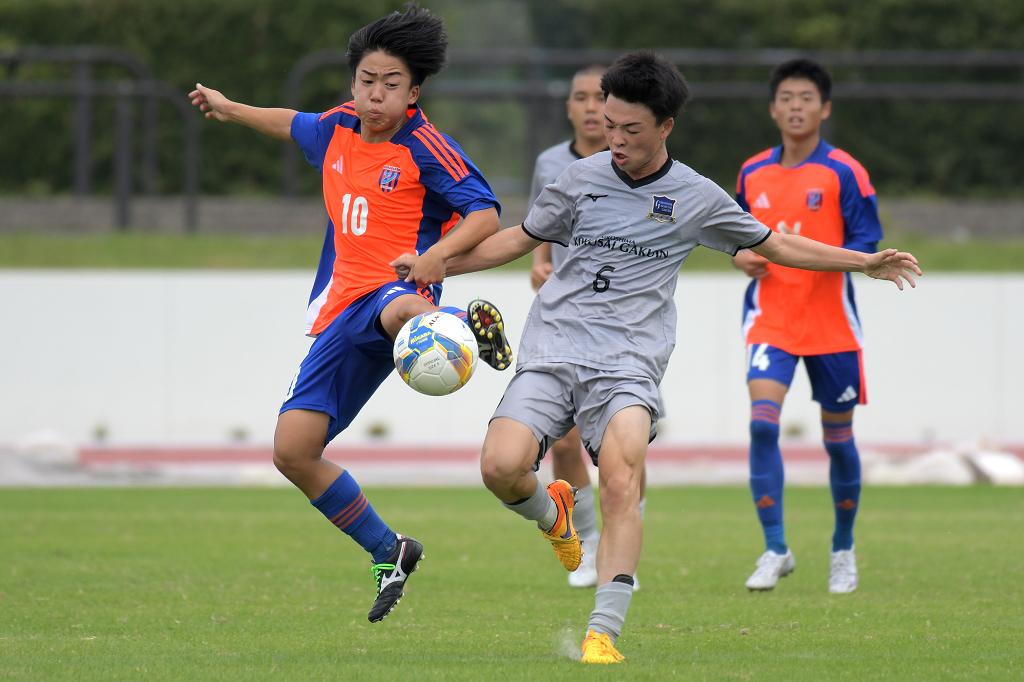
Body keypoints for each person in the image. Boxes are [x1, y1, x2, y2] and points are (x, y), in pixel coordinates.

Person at [392, 51, 919, 664]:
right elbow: (519, 239)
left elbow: (775, 243)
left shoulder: (695, 197)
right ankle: (554, 513)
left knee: (621, 478)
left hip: (628, 364)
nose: (613, 138)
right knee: (500, 468)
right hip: (554, 348)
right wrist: (439, 262)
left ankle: (603, 633)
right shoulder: (578, 178)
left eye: (630, 129)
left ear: (665, 126)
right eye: (609, 125)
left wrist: (865, 261)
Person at [188, 5, 513, 623]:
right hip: (338, 307)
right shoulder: (337, 126)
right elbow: (293, 122)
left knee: (397, 312)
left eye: (392, 84)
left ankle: (457, 328)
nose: (376, 94)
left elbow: (485, 213)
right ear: (354, 83)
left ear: (413, 92)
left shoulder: (425, 144)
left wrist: (435, 256)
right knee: (293, 450)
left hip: (395, 290)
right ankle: (389, 550)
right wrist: (230, 109)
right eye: (367, 80)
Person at [733, 58, 883, 595]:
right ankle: (775, 548)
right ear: (774, 108)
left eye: (806, 98)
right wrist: (742, 258)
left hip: (830, 325)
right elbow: (738, 237)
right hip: (771, 319)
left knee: (838, 440)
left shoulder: (844, 171)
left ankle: (843, 549)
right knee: (762, 425)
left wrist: (838, 257)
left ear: (825, 108)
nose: (797, 106)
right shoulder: (752, 172)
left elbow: (867, 244)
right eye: (787, 97)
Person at [527, 65, 646, 591]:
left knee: (625, 445)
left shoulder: (637, 167)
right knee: (568, 443)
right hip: (565, 322)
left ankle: (622, 546)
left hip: (623, 327)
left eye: (601, 98)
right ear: (569, 108)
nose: (592, 107)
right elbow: (539, 229)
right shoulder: (551, 164)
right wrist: (539, 263)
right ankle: (591, 540)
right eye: (581, 98)